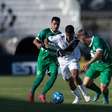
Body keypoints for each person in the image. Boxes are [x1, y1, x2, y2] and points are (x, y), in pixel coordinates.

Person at [46, 25, 90, 104]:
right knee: (69, 80)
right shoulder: (59, 37)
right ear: (65, 33)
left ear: (73, 33)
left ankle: (85, 94)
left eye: (71, 35)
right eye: (68, 35)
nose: (69, 37)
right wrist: (52, 48)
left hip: (73, 58)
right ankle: (78, 97)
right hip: (63, 62)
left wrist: (60, 51)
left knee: (75, 75)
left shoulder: (76, 39)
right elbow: (47, 39)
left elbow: (69, 49)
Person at [28, 16, 61, 103]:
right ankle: (31, 92)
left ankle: (42, 94)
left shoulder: (60, 35)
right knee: (40, 77)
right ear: (51, 23)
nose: (56, 26)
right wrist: (39, 45)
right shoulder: (45, 32)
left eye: (57, 24)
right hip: (43, 59)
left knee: (54, 75)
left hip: (53, 60)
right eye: (54, 24)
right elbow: (35, 41)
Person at [76, 29, 112, 104]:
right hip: (95, 65)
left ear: (83, 38)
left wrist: (88, 63)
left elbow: (99, 54)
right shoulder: (89, 44)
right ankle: (97, 91)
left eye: (79, 39)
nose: (80, 42)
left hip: (106, 65)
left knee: (104, 88)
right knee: (85, 84)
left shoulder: (96, 40)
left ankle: (105, 99)